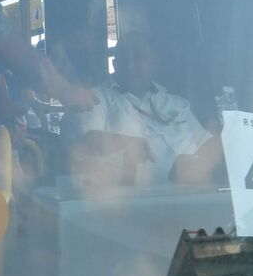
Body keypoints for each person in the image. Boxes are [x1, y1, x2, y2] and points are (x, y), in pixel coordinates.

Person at [71, 31, 223, 186]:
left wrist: (199, 165)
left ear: (155, 62)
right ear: (115, 65)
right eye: (123, 59)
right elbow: (86, 142)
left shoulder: (177, 103)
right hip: (127, 203)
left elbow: (208, 143)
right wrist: (126, 143)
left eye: (138, 57)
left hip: (195, 198)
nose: (130, 65)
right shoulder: (96, 99)